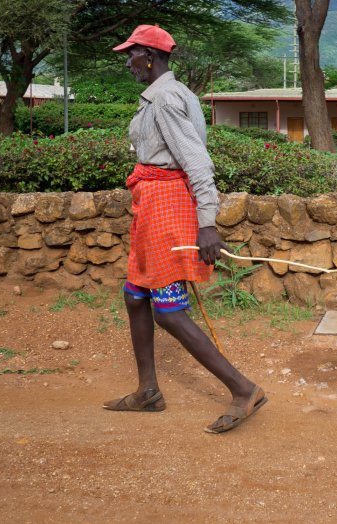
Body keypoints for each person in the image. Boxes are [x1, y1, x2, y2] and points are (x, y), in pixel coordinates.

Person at [103, 25, 267, 434]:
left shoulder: (167, 99)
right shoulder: (161, 96)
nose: (127, 62)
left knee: (168, 312)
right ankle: (148, 391)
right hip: (152, 204)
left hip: (169, 206)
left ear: (149, 56)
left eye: (131, 55)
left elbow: (197, 162)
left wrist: (206, 223)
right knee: (134, 295)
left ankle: (243, 388)